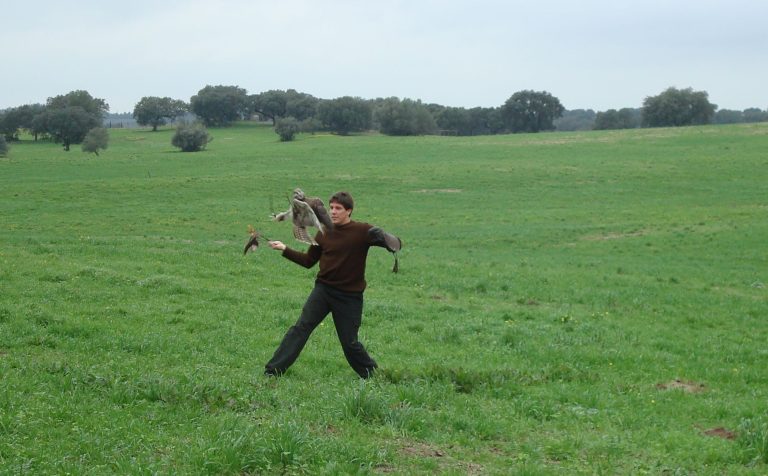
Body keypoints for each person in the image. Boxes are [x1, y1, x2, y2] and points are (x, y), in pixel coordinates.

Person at [264, 191, 402, 378]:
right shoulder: (324, 232)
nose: (333, 212)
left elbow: (397, 244)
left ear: (349, 211)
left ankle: (372, 375)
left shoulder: (362, 231)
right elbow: (308, 261)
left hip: (349, 297)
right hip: (323, 291)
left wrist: (385, 238)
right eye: (331, 208)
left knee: (350, 343)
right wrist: (284, 249)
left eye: (338, 208)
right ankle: (273, 371)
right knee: (300, 329)